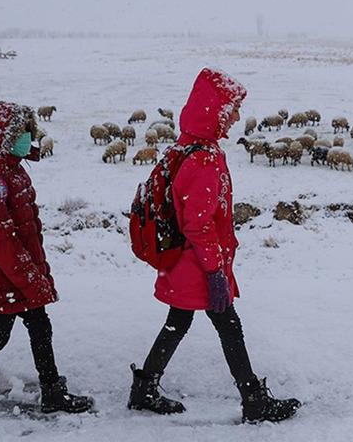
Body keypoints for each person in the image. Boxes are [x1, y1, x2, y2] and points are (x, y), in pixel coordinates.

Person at [128, 68, 300, 423]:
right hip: (198, 263)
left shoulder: (184, 147)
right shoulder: (204, 158)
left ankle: (144, 387)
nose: (237, 117)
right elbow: (198, 224)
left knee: (179, 322)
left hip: (181, 260)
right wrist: (214, 271)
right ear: (214, 111)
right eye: (231, 110)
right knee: (228, 325)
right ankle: (254, 401)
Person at [0, 101, 93, 417]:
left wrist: (35, 275)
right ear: (0, 140)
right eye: (20, 133)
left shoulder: (15, 173)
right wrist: (33, 280)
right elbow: (4, 246)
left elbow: (25, 235)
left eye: (28, 132)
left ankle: (52, 391)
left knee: (40, 328)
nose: (27, 138)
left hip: (19, 276)